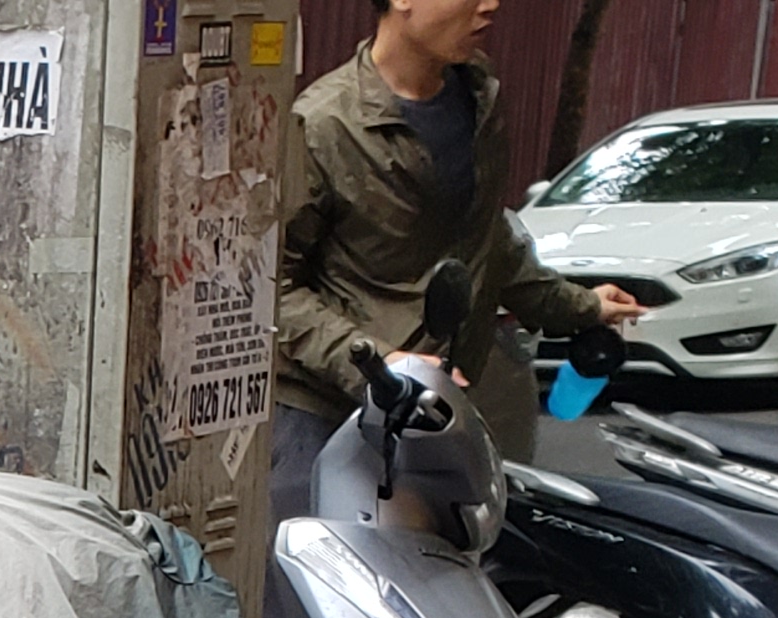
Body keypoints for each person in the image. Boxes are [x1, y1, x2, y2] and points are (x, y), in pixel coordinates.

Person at [272, 0, 640, 529]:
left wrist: (579, 306)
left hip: (433, 416)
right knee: (322, 596)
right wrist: (380, 365)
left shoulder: (479, 96)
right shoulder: (325, 123)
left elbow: (486, 242)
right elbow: (272, 289)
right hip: (329, 417)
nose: (490, 5)